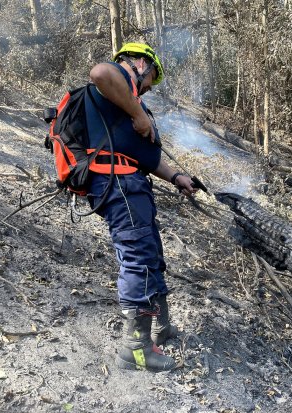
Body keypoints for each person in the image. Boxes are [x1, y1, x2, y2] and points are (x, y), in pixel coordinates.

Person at [86, 42, 197, 372]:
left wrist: (177, 176)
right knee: (138, 259)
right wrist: (138, 113)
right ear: (139, 63)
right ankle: (135, 350)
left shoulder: (124, 101)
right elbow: (99, 72)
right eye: (151, 79)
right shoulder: (118, 77)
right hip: (118, 182)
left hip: (130, 182)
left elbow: (141, 155)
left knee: (151, 254)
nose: (148, 88)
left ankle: (160, 329)